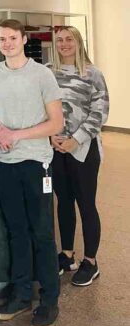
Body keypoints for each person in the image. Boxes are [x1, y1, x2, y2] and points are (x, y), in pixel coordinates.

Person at [0, 19, 63, 326]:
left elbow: (55, 123)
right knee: (15, 231)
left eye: (12, 38)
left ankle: (49, 300)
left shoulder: (42, 74)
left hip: (36, 162)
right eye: (2, 39)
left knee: (42, 232)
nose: (7, 43)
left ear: (24, 39)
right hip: (4, 163)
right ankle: (21, 296)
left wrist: (17, 134)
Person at [49, 26, 109, 286]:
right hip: (56, 148)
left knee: (86, 204)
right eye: (59, 40)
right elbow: (43, 107)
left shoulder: (93, 73)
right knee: (63, 202)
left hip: (83, 149)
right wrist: (52, 136)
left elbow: (101, 111)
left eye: (69, 39)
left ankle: (91, 262)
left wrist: (76, 139)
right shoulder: (49, 71)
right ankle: (67, 255)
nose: (64, 44)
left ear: (78, 42)